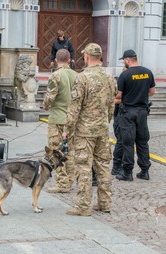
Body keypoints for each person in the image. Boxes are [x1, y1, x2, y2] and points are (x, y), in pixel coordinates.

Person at [62, 43, 117, 216]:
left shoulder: (82, 77)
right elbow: (111, 106)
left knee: (84, 167)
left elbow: (74, 107)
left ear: (86, 56)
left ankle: (83, 206)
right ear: (100, 57)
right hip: (102, 129)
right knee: (103, 167)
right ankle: (105, 203)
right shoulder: (109, 77)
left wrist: (67, 129)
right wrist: (105, 122)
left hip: (85, 132)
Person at [114, 49, 156, 181]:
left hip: (128, 112)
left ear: (127, 60)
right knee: (143, 141)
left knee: (127, 142)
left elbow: (118, 95)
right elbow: (152, 92)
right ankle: (145, 171)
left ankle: (127, 172)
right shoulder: (147, 72)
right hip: (142, 112)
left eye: (124, 61)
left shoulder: (125, 75)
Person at [43, 49, 78, 193]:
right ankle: (69, 180)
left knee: (56, 150)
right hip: (72, 119)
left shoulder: (56, 75)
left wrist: (46, 105)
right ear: (69, 60)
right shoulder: (77, 76)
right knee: (70, 150)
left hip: (58, 118)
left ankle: (62, 183)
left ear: (56, 60)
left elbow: (50, 97)